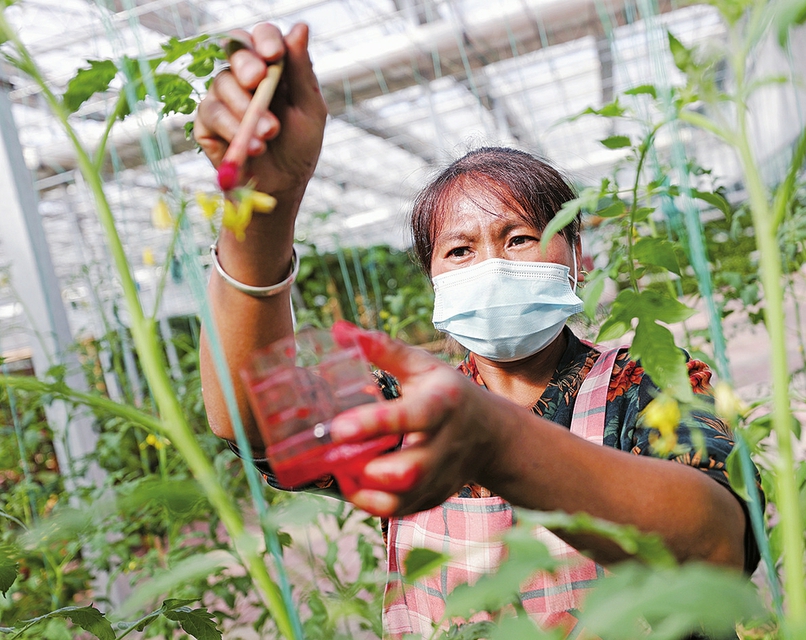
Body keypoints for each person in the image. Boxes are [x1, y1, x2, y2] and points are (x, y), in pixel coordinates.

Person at [195, 22, 761, 638]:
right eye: (459, 251)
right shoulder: (403, 405)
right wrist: (260, 217)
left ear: (579, 256)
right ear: (433, 278)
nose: (491, 264)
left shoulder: (643, 386)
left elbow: (718, 542)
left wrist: (497, 442)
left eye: (519, 238)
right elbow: (250, 417)